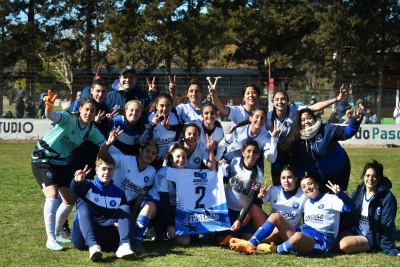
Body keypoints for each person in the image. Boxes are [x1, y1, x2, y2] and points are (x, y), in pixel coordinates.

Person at [30, 90, 108, 251]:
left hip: (60, 163)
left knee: (70, 199)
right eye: (86, 109)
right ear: (80, 109)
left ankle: (57, 232)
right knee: (52, 195)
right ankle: (50, 238)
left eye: (92, 110)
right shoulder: (69, 118)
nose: (89, 112)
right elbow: (53, 116)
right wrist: (49, 108)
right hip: (42, 158)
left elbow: (104, 145)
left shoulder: (90, 129)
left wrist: (112, 143)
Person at [229, 176, 356, 256]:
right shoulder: (306, 201)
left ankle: (274, 249)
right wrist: (260, 196)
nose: (308, 188)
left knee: (298, 236)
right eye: (304, 186)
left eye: (310, 184)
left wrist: (341, 195)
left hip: (322, 239)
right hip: (305, 231)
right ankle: (251, 243)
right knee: (275, 216)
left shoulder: (331, 199)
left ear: (317, 185)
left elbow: (351, 207)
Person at [266, 86, 346, 185]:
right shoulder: (268, 117)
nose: (280, 102)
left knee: (300, 184)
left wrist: (336, 99)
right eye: (277, 99)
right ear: (273, 102)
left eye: (283, 99)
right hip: (278, 156)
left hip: (294, 155)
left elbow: (314, 107)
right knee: (278, 186)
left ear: (287, 101)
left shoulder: (295, 110)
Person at [280, 108, 362, 193]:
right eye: (303, 120)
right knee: (317, 201)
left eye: (309, 118)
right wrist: (302, 180)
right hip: (315, 177)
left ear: (314, 119)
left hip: (339, 172)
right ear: (299, 123)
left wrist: (355, 121)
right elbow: (297, 163)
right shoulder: (296, 139)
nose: (306, 121)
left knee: (337, 200)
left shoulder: (327, 129)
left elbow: (346, 132)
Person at [71, 156, 136, 261]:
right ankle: (93, 246)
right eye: (103, 169)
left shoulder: (119, 193)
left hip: (106, 231)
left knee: (125, 208)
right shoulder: (87, 185)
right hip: (84, 235)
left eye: (110, 169)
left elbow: (123, 216)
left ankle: (124, 246)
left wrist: (118, 223)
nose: (107, 172)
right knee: (84, 207)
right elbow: (76, 189)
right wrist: (77, 182)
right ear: (97, 170)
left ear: (114, 171)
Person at [131, 144, 190, 251]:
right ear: (171, 159)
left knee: (184, 241)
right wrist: (170, 225)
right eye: (178, 157)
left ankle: (161, 232)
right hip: (158, 205)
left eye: (184, 157)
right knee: (150, 206)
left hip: (174, 209)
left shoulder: (188, 174)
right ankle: (136, 239)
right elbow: (164, 200)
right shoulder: (163, 173)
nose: (181, 159)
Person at [337, 160, 400, 256]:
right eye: (368, 175)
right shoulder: (358, 193)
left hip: (371, 236)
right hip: (356, 230)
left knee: (344, 245)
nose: (370, 179)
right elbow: (348, 215)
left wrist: (389, 248)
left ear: (379, 178)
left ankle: (369, 245)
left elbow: (388, 223)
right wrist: (343, 199)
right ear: (363, 177)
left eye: (374, 176)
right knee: (332, 241)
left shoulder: (387, 197)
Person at [98, 133, 158, 228]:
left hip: (128, 205)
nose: (150, 155)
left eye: (153, 153)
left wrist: (133, 216)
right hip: (109, 200)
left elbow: (141, 195)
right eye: (148, 151)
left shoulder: (151, 172)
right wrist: (109, 143)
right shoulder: (124, 160)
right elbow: (101, 156)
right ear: (140, 151)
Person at [242, 165, 308, 245]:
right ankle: (234, 232)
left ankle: (255, 240)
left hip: (288, 230)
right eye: (283, 178)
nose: (286, 181)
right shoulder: (275, 190)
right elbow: (255, 204)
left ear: (296, 179)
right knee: (251, 207)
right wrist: (259, 197)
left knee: (277, 223)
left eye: (289, 177)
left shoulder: (303, 195)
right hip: (270, 227)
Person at [217, 140, 264, 243]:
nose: (251, 154)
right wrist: (221, 166)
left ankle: (238, 230)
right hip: (226, 209)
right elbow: (224, 179)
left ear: (258, 155)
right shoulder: (235, 161)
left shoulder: (258, 174)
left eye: (255, 152)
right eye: (249, 151)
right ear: (243, 152)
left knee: (248, 238)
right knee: (219, 240)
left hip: (242, 212)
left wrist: (239, 220)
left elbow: (251, 198)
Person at [216, 107, 279, 174]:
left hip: (246, 167)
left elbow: (272, 159)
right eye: (257, 117)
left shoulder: (266, 136)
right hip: (227, 161)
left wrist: (274, 139)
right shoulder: (240, 129)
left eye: (262, 118)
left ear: (265, 121)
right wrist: (217, 161)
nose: (259, 120)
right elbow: (223, 144)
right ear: (250, 118)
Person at [140, 93, 181, 169]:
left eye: (168, 105)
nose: (165, 108)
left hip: (170, 159)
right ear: (156, 106)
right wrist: (152, 124)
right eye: (162, 105)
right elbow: (142, 141)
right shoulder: (148, 117)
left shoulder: (175, 116)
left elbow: (178, 135)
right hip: (153, 160)